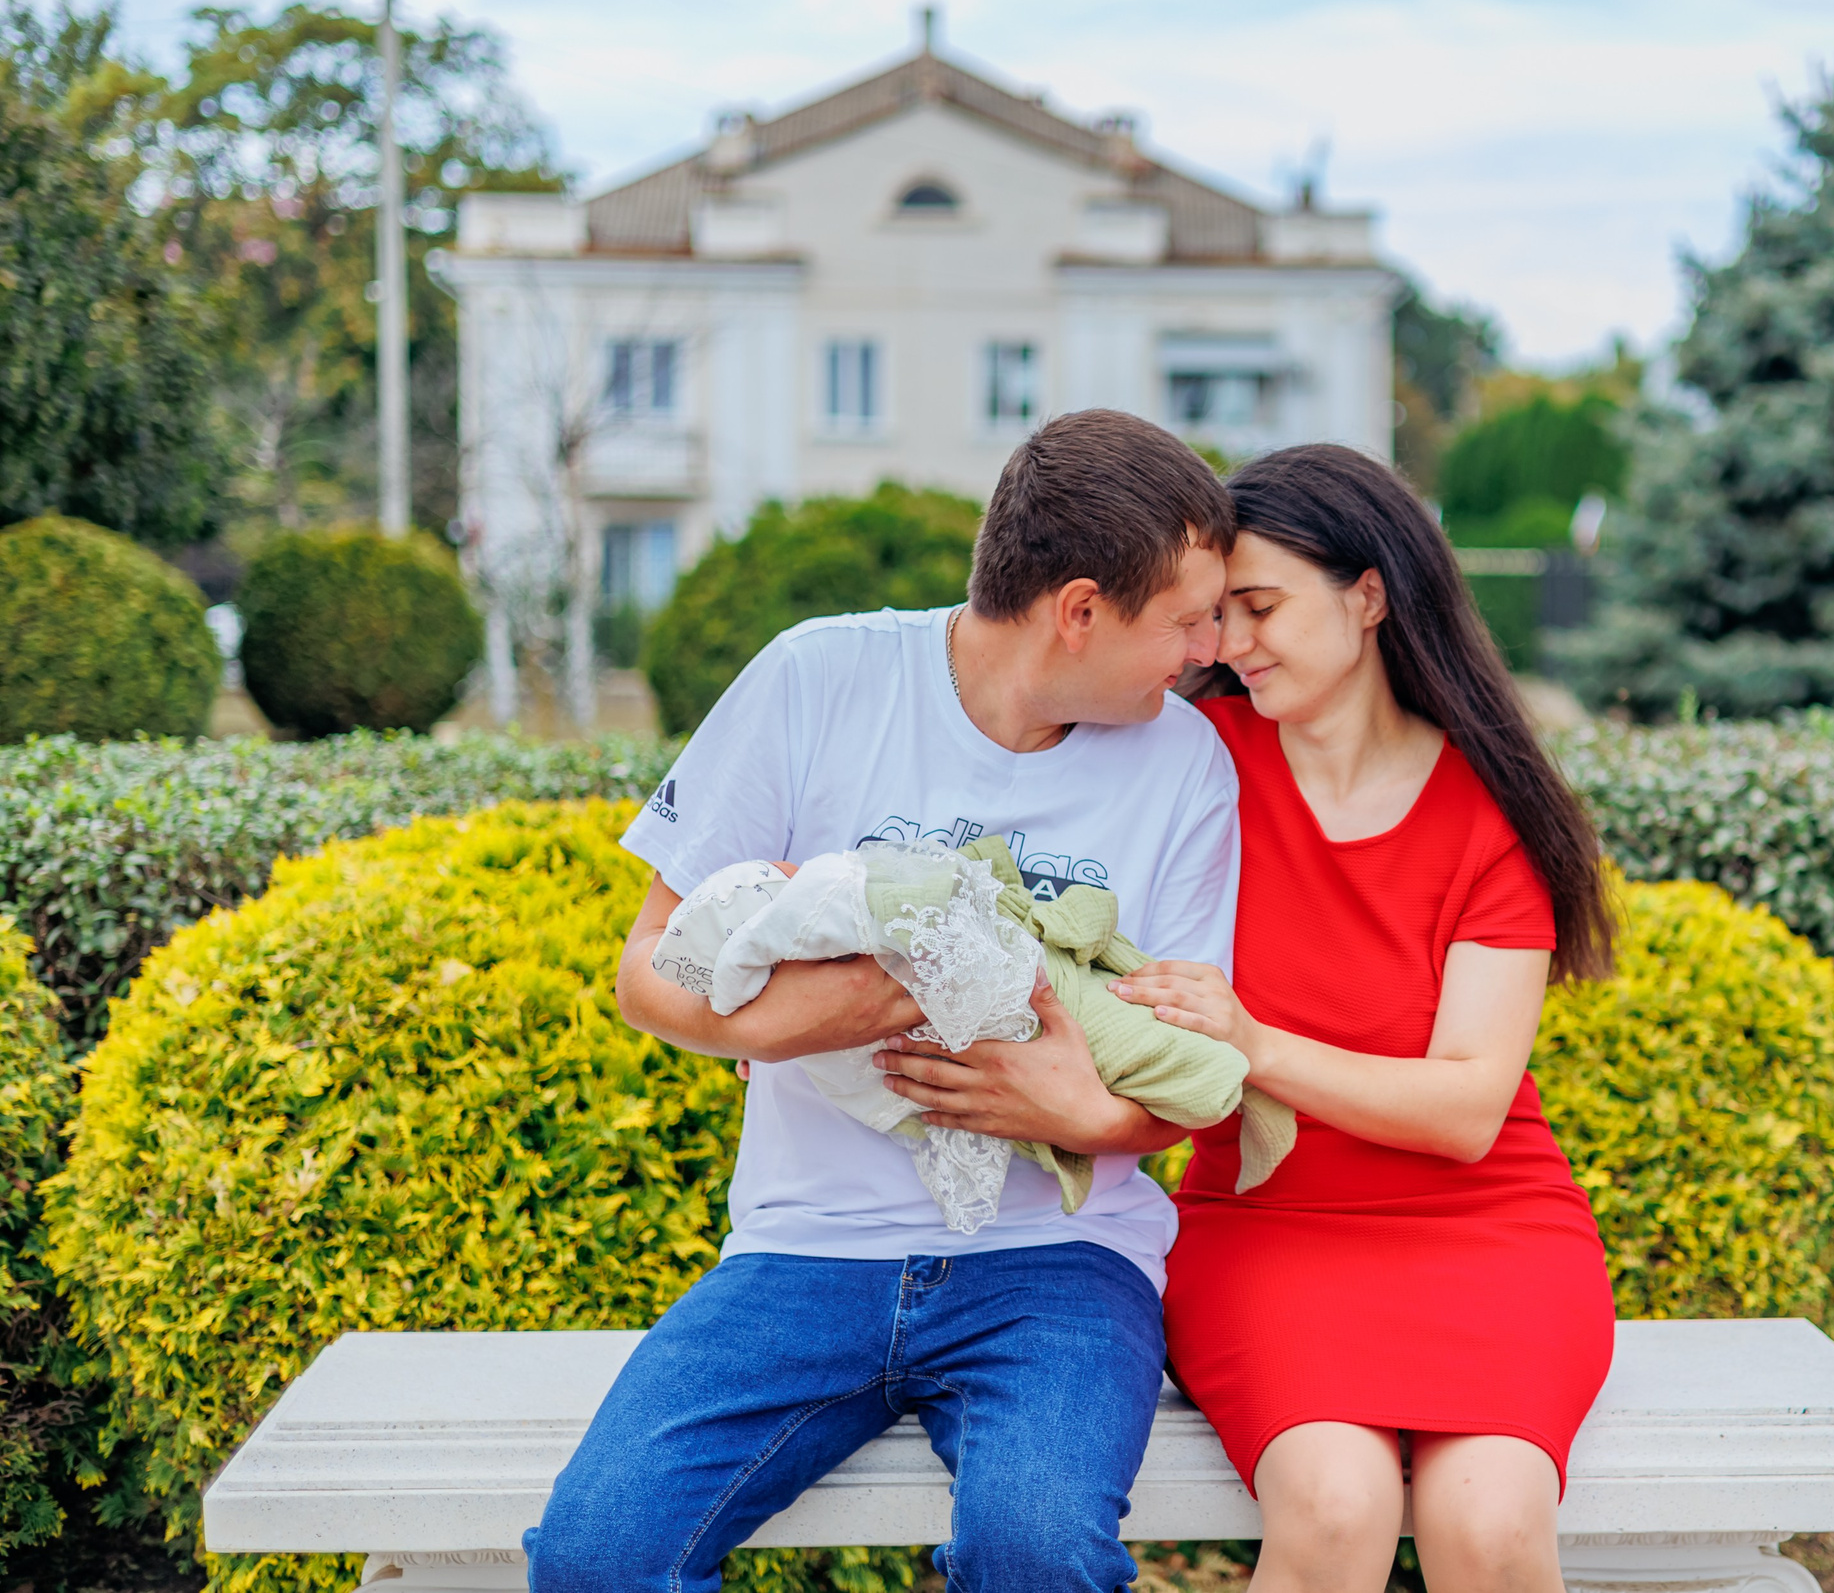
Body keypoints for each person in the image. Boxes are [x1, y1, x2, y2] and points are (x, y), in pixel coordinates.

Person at [524, 409, 1234, 1593]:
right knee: (599, 1556)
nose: (1210, 647)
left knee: (1038, 1556)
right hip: (805, 1253)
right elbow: (647, 968)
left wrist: (1078, 1111)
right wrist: (827, 1015)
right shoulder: (818, 678)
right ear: (1079, 609)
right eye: (1186, 617)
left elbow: (1178, 1078)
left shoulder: (1186, 769)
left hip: (1057, 1265)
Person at [1113, 444, 1620, 1593]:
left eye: (1259, 608)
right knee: (1336, 1509)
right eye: (1214, 616)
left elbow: (1464, 1111)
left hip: (1491, 1235)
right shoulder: (1194, 766)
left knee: (1488, 1526)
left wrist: (1255, 1043)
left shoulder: (1494, 812)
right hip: (1269, 1232)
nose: (1227, 646)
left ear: (1369, 595)